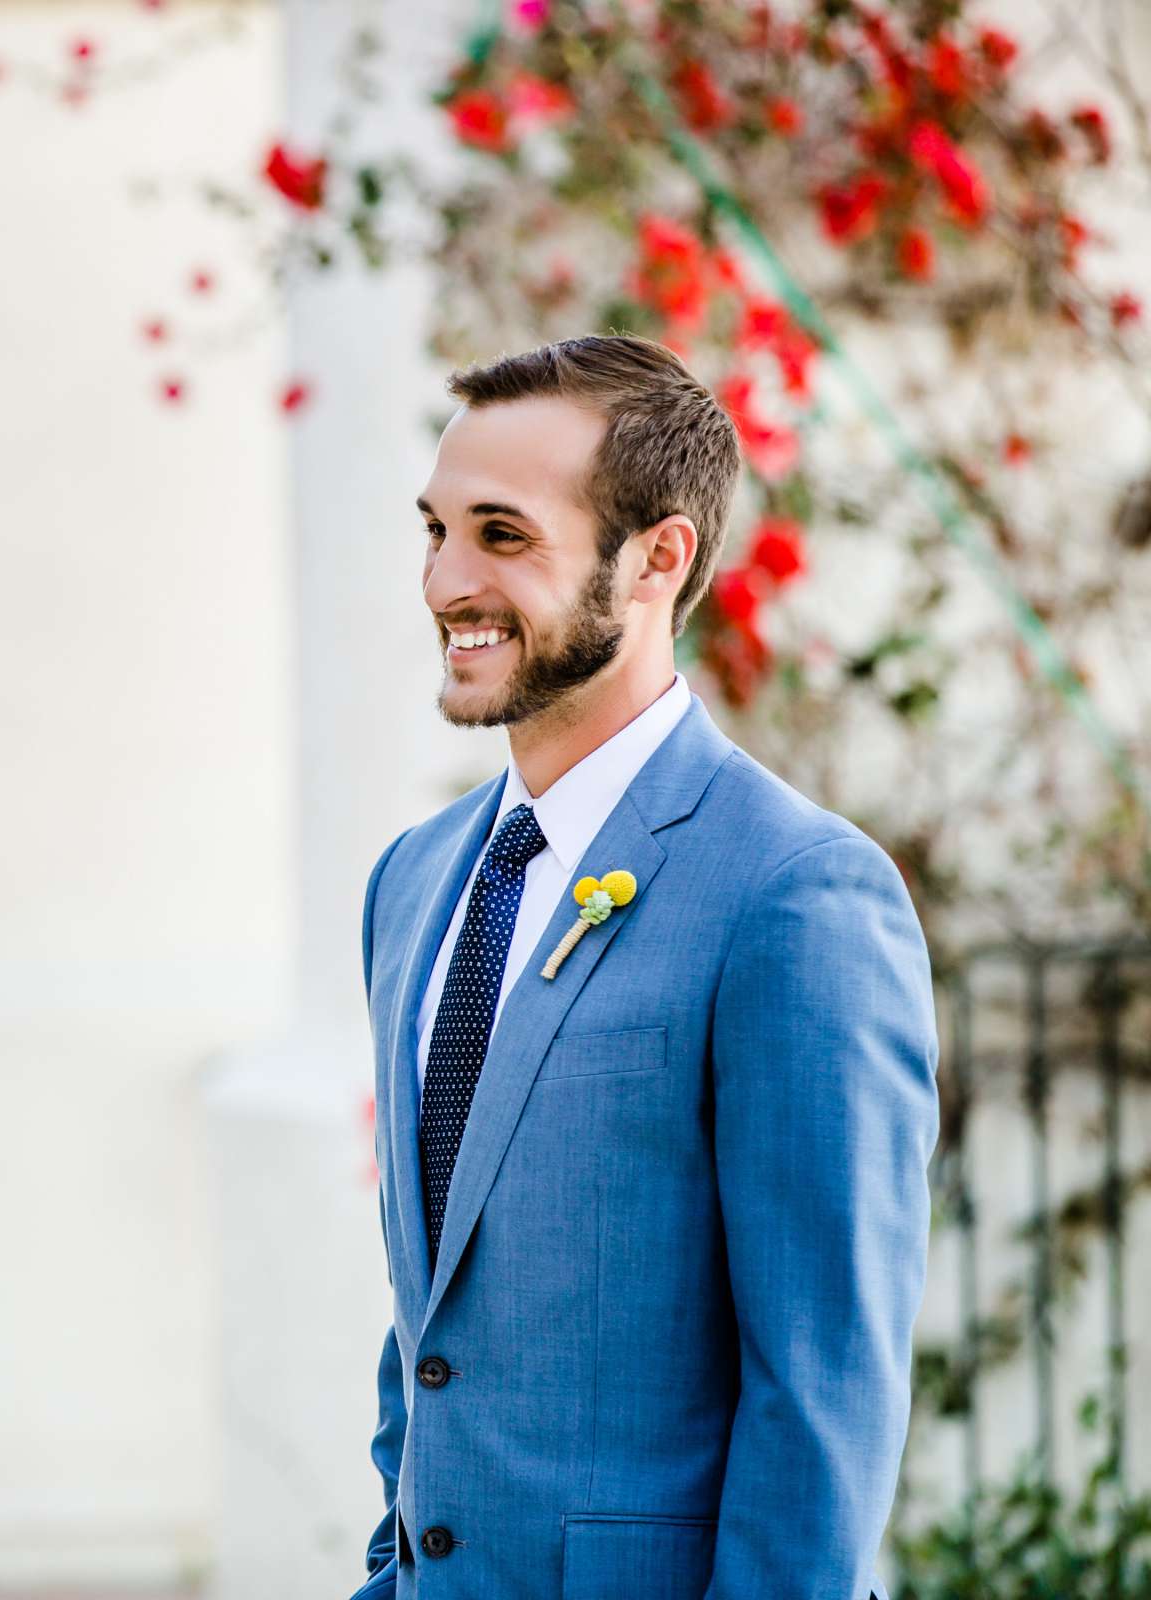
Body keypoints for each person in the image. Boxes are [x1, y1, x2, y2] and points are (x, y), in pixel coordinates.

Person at [350, 334, 937, 1599]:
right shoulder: (410, 883)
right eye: (436, 529)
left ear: (658, 558)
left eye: (502, 535)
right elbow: (432, 1322)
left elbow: (823, 1387)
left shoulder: (797, 894)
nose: (447, 579)